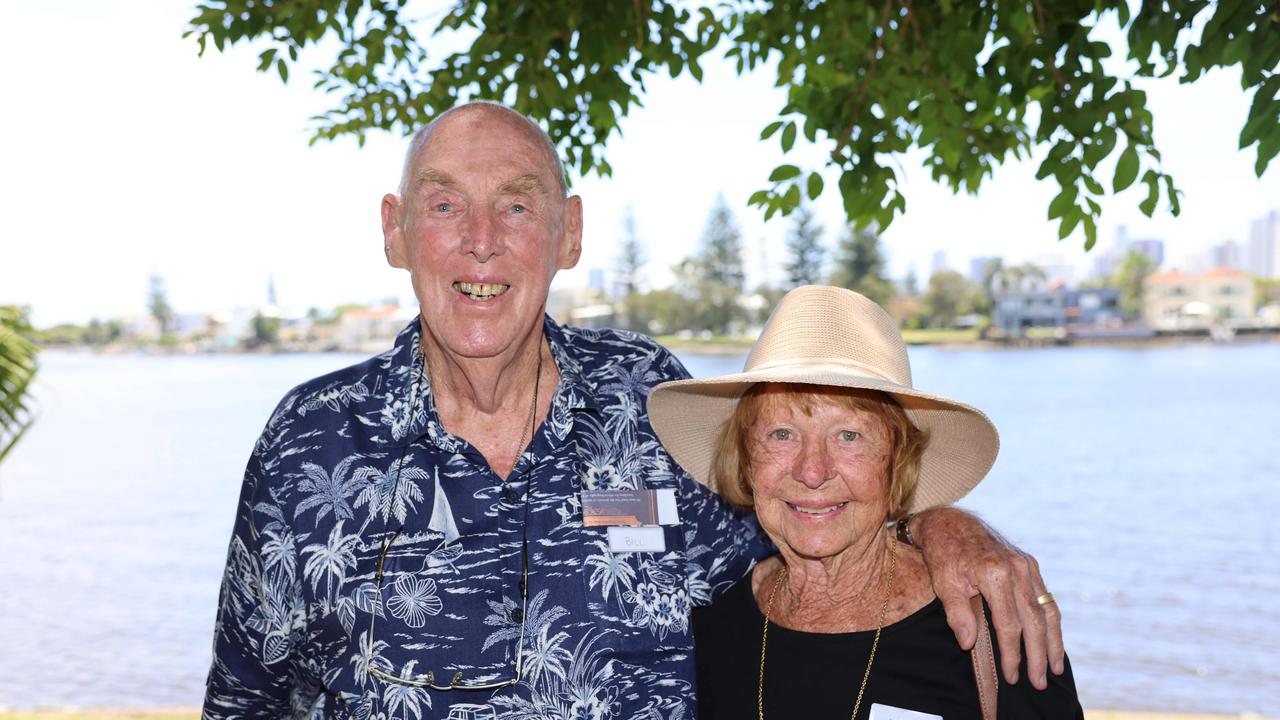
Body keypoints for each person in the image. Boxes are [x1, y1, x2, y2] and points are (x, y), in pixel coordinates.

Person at [203, 102, 1064, 719]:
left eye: (516, 204)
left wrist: (942, 522)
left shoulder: (645, 403)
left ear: (568, 233)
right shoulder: (307, 444)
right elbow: (243, 698)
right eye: (443, 204)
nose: (480, 239)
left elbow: (808, 516)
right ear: (395, 232)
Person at [648, 285, 1082, 719]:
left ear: (897, 458)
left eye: (848, 436)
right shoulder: (711, 630)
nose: (812, 471)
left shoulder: (991, 623)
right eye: (782, 434)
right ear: (745, 459)